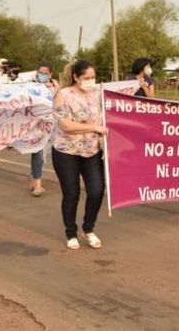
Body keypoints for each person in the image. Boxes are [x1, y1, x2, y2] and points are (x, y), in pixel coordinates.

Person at [52, 59, 107, 250]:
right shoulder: (63, 95)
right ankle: (71, 233)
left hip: (91, 151)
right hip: (66, 152)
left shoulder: (98, 94)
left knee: (97, 190)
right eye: (86, 77)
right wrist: (94, 127)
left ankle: (88, 228)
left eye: (93, 77)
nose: (90, 81)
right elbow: (66, 126)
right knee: (71, 193)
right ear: (76, 77)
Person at [29, 60, 60, 197]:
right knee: (38, 154)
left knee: (55, 153)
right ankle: (38, 184)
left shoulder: (55, 85)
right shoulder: (31, 85)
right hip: (37, 124)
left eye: (45, 73)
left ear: (50, 74)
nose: (42, 75)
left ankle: (34, 178)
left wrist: (55, 88)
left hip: (53, 125)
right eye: (40, 73)